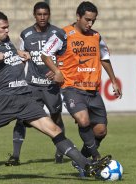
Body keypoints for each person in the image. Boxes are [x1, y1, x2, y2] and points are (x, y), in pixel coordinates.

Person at [0, 11, 111, 183]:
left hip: (25, 98)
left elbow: (10, 52)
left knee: (55, 130)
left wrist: (19, 53)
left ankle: (86, 165)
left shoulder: (7, 42)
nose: (7, 31)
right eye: (3, 28)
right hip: (4, 101)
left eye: (8, 27)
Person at [41, 0, 122, 174]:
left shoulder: (96, 36)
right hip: (72, 88)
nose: (90, 23)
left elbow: (104, 58)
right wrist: (56, 71)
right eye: (87, 19)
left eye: (93, 20)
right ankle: (95, 158)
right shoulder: (63, 34)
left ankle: (82, 161)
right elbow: (45, 54)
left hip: (93, 90)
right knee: (83, 120)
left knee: (100, 131)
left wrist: (114, 81)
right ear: (78, 17)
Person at [5, 1, 65, 166]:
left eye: (45, 14)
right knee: (21, 117)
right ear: (34, 15)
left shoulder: (57, 33)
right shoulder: (26, 34)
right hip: (32, 85)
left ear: (49, 15)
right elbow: (23, 58)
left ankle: (60, 151)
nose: (42, 17)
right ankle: (15, 156)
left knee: (56, 117)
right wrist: (18, 79)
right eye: (39, 14)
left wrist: (59, 71)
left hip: (51, 86)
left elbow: (64, 58)